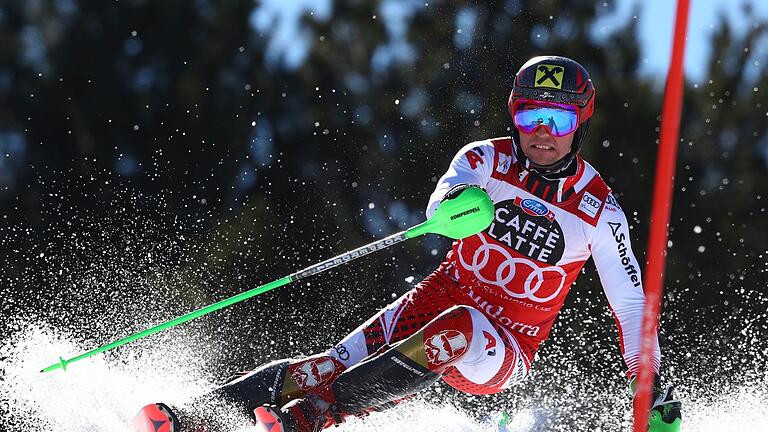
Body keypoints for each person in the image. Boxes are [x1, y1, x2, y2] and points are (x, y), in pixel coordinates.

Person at [132, 55, 682, 432]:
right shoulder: (484, 159)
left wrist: (650, 384)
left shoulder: (598, 207)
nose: (542, 131)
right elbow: (441, 203)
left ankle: (314, 418)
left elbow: (631, 304)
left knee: (461, 326)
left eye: (557, 118)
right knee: (326, 364)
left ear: (577, 123)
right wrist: (454, 212)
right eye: (529, 114)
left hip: (504, 346)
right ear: (513, 116)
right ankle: (196, 417)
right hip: (438, 296)